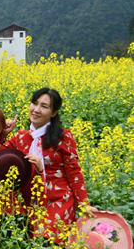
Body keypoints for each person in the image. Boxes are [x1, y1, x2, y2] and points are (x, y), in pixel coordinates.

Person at [5, 87, 94, 238]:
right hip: (33, 202)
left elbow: (74, 173)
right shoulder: (21, 137)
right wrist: (3, 133)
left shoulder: (63, 137)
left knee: (50, 244)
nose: (36, 109)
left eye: (44, 106)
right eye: (34, 103)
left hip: (59, 200)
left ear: (53, 113)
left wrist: (84, 205)